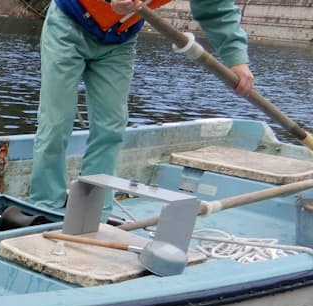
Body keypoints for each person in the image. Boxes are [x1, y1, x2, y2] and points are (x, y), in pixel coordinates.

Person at [28, 0, 253, 211]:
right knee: (56, 122)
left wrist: (237, 59)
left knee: (111, 128)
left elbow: (216, 8)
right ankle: (45, 206)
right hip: (68, 24)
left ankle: (93, 212)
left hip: (119, 40)